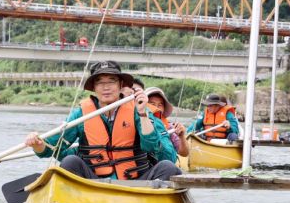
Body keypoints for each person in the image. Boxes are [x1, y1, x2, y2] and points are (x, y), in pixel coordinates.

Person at [24, 61, 181, 181]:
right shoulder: (81, 114)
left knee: (168, 167)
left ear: (120, 85)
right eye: (100, 82)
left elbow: (153, 147)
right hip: (95, 182)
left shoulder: (137, 110)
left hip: (137, 182)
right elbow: (54, 148)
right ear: (94, 87)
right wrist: (38, 144)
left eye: (111, 81)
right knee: (70, 161)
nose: (106, 87)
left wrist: (143, 114)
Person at [145, 86, 189, 157]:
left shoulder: (170, 127)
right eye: (152, 104)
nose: (156, 107)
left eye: (160, 105)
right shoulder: (137, 122)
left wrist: (182, 136)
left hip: (162, 165)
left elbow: (184, 153)